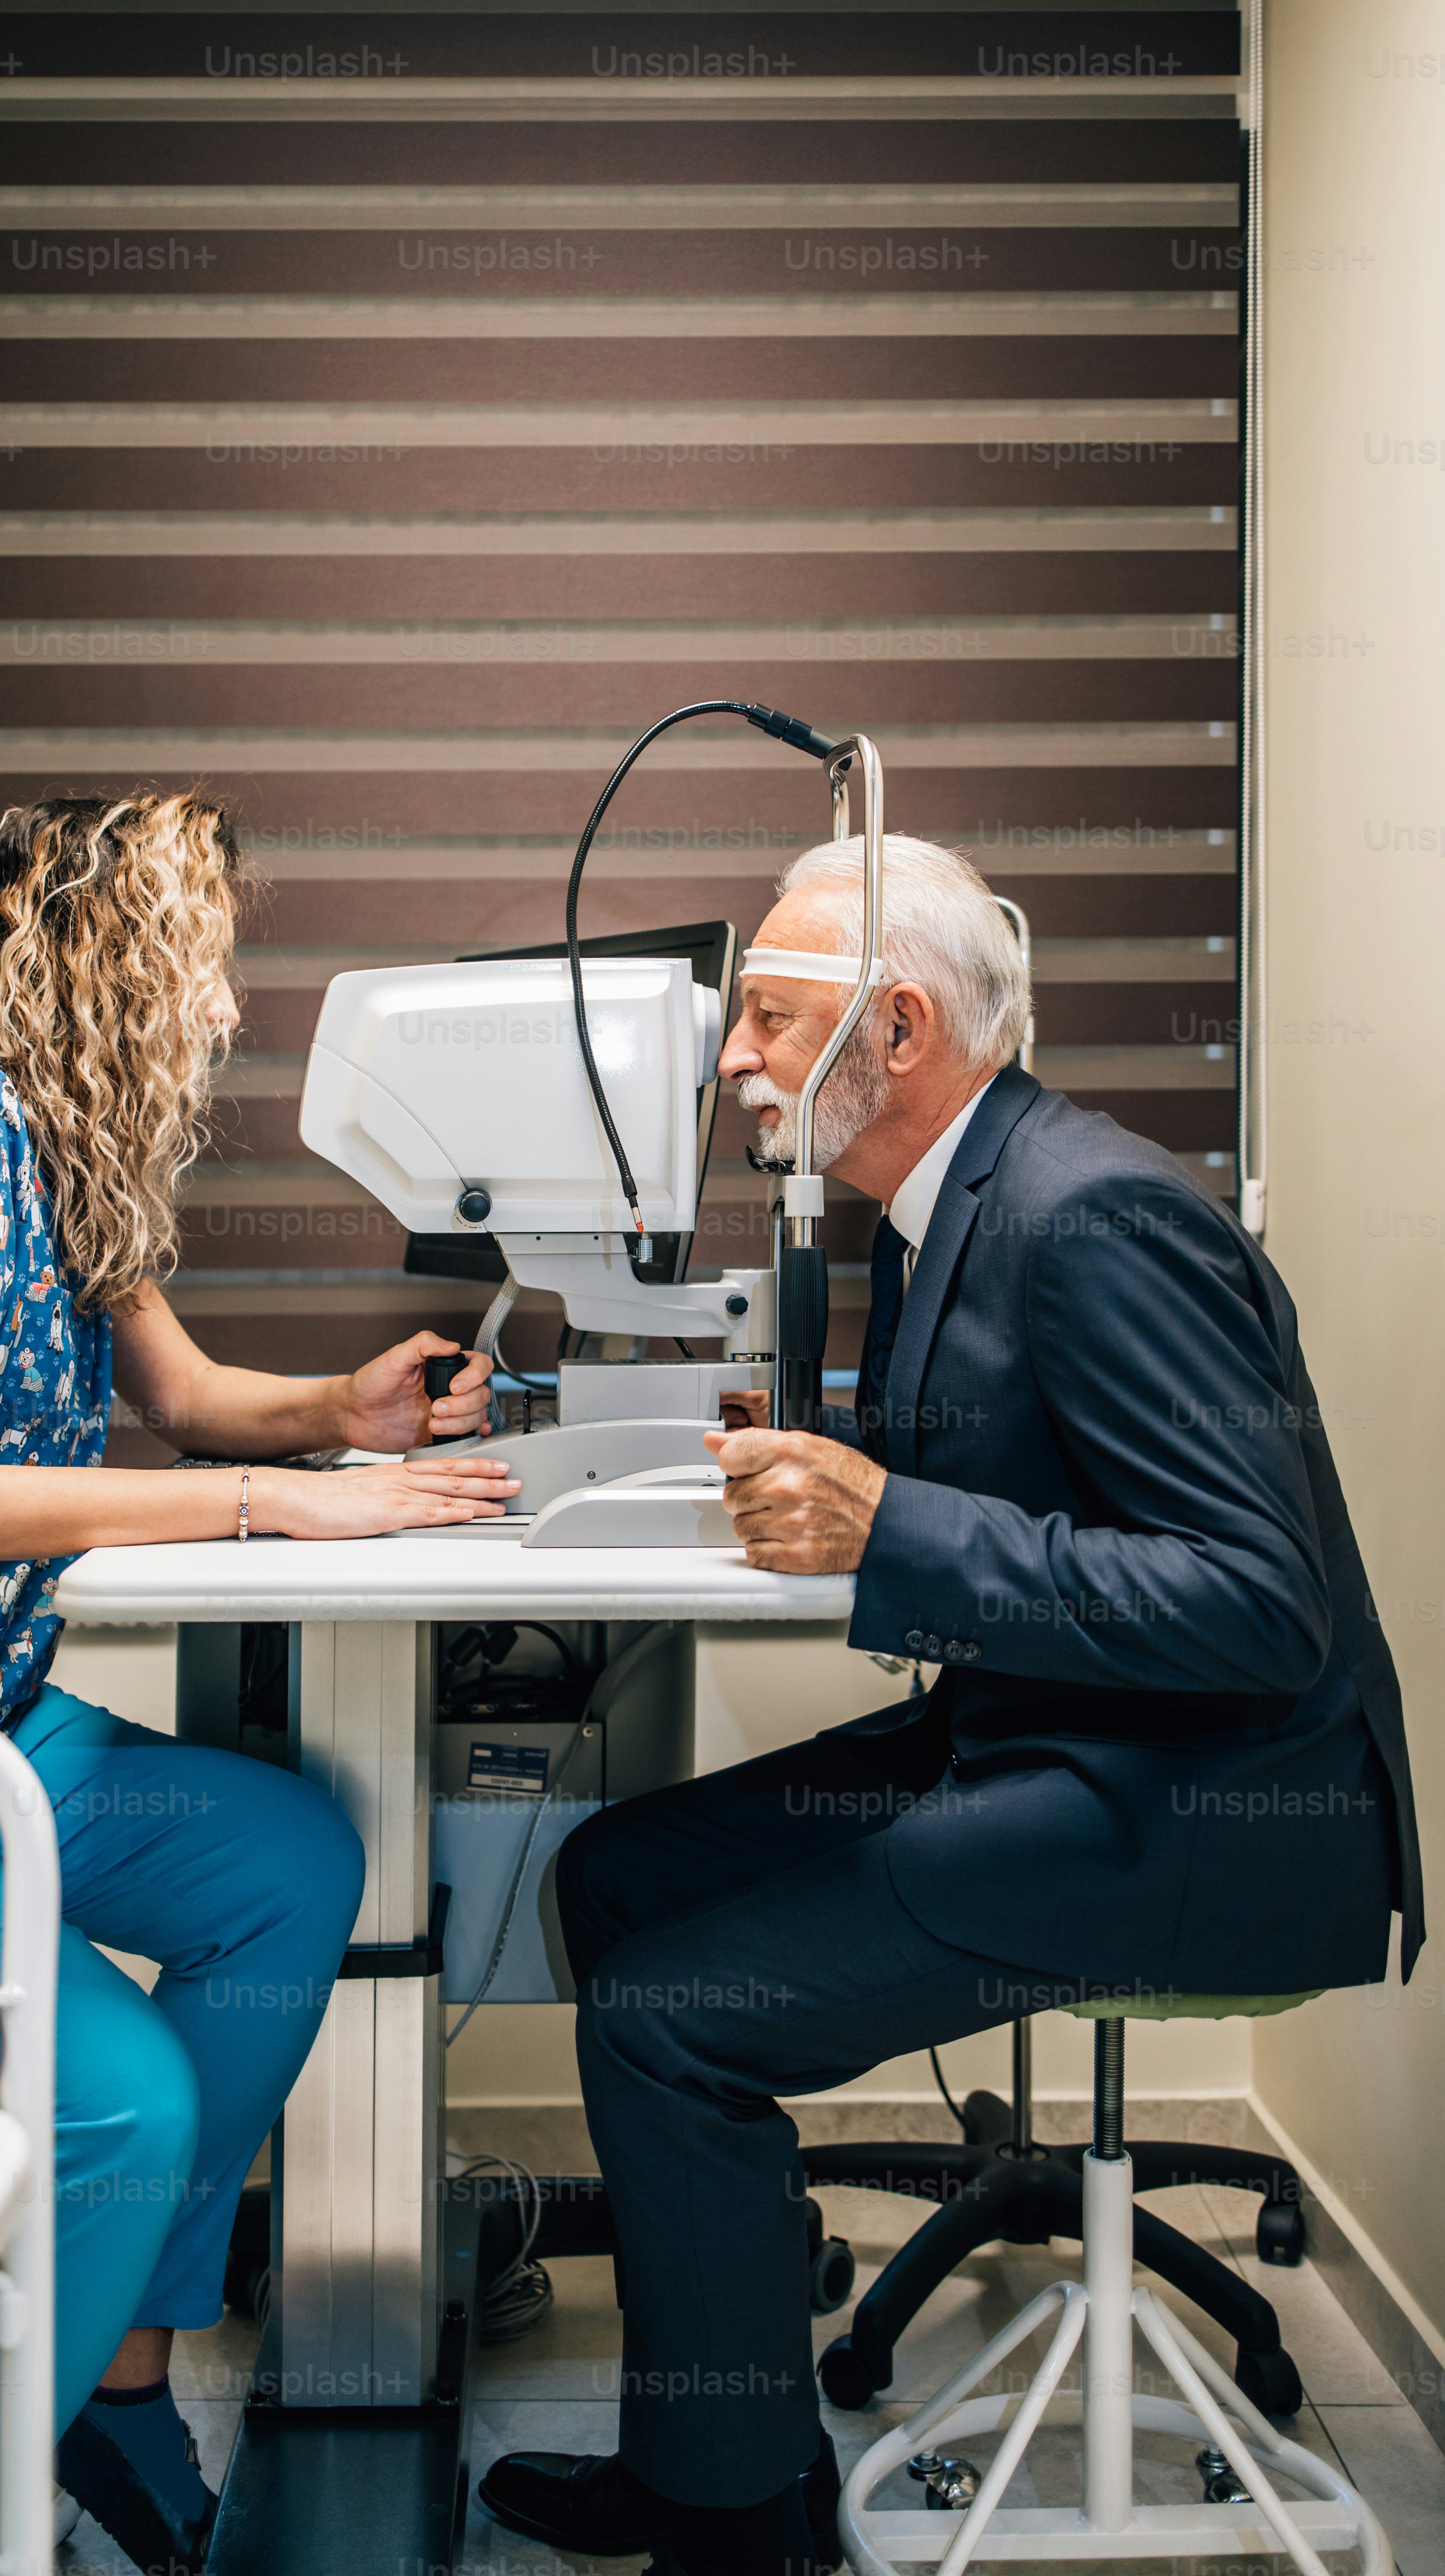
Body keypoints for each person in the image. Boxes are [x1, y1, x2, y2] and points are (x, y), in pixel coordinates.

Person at [479, 832, 1422, 2576]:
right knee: (615, 1881)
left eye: (767, 1015)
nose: (734, 1058)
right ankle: (719, 2445)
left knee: (665, 2019)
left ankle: (740, 2527)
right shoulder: (935, 1210)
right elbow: (1019, 1486)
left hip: (1205, 1809)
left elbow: (1261, 1608)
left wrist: (889, 1520)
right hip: (1048, 1738)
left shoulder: (1096, 1218)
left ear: (895, 1032)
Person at [0, 792, 516, 2571]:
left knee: (294, 1866)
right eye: (205, 956)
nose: (224, 1004)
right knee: (117, 2096)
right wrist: (273, 1509)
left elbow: (183, 1395)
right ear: (109, 956)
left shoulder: (64, 1149)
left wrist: (336, 1420)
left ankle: (118, 2373)